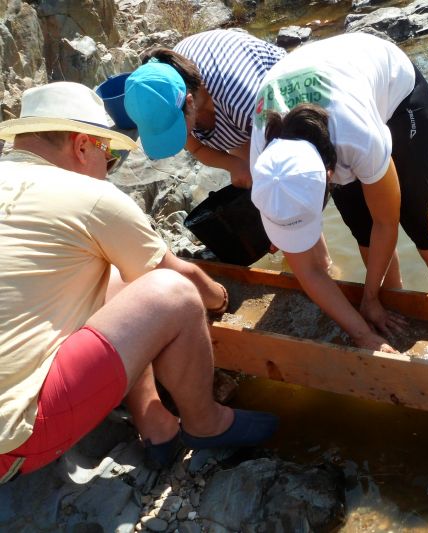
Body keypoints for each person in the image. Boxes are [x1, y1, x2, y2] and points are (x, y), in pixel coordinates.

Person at [0, 82, 278, 483]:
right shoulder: (88, 195)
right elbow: (178, 277)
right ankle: (206, 422)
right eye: (109, 155)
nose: (109, 167)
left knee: (108, 273)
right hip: (15, 442)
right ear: (82, 147)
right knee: (173, 292)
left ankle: (156, 423)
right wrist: (219, 301)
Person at [248, 32, 428, 351]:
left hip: (397, 95)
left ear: (329, 174)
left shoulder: (357, 137)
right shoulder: (266, 166)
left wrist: (369, 295)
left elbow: (386, 222)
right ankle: (392, 310)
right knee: (361, 229)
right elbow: (306, 267)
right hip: (324, 96)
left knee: (424, 223)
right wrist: (362, 330)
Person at [123, 29, 286, 188]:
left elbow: (292, 151)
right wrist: (234, 165)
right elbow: (197, 148)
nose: (183, 140)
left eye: (181, 132)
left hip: (288, 97)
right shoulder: (165, 96)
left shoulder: (241, 100)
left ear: (189, 102)